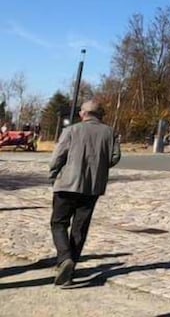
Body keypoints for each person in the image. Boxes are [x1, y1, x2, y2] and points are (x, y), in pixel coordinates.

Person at [48, 99, 121, 287]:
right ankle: (69, 269)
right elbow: (115, 157)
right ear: (99, 114)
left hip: (67, 184)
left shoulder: (71, 130)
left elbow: (57, 156)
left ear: (83, 113)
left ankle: (64, 258)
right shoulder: (110, 132)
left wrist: (53, 173)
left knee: (58, 223)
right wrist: (99, 166)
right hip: (92, 187)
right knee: (80, 227)